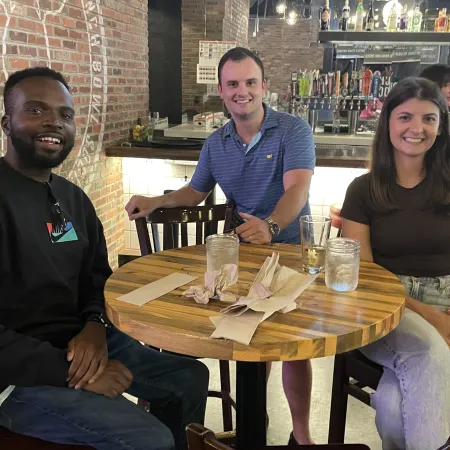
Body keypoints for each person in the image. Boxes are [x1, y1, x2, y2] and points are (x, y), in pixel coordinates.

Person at [0, 67, 209, 450]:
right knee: (151, 438)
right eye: (35, 110)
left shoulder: (71, 198)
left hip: (77, 341)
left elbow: (96, 275)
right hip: (15, 377)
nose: (54, 122)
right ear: (6, 122)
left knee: (190, 378)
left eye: (65, 114)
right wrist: (71, 372)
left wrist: (94, 326)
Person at [126, 47, 316, 446]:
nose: (241, 91)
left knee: (294, 344)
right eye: (233, 84)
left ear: (264, 86)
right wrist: (156, 201)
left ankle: (301, 435)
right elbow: (195, 192)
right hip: (246, 252)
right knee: (249, 333)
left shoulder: (293, 130)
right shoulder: (217, 142)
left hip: (292, 248)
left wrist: (272, 224)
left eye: (250, 82)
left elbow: (297, 188)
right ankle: (253, 421)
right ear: (222, 90)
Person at [340, 77, 450, 450]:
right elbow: (365, 274)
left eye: (429, 119)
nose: (417, 129)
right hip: (387, 306)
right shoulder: (362, 190)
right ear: (388, 122)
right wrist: (432, 316)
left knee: (391, 404)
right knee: (430, 351)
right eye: (405, 117)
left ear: (441, 126)